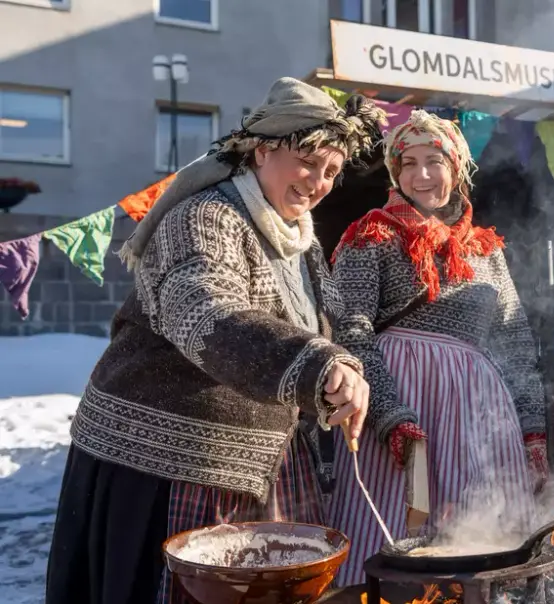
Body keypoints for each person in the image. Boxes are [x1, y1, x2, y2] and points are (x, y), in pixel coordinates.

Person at [45, 78, 386, 604]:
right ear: (263, 150)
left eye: (331, 171)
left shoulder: (299, 237)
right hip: (168, 460)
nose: (318, 182)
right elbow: (205, 311)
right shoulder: (205, 216)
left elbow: (331, 321)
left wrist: (356, 369)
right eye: (308, 162)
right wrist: (317, 363)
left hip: (261, 456)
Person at [328, 110, 548, 585]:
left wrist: (532, 429)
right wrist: (390, 414)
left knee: (482, 538)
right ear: (394, 172)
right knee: (393, 535)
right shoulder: (372, 234)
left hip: (478, 410)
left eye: (434, 161)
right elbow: (350, 332)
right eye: (408, 163)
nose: (421, 175)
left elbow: (514, 341)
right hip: (399, 400)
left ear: (457, 167)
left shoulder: (485, 249)